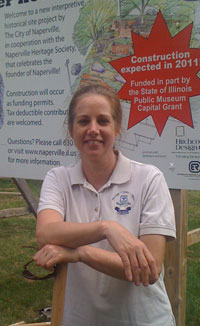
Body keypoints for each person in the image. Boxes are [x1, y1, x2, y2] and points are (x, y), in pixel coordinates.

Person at [34, 84, 176, 326]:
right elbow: (46, 233)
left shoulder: (149, 178)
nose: (93, 130)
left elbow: (149, 268)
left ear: (117, 127)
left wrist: (80, 253)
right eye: (83, 121)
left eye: (102, 121)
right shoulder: (58, 178)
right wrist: (107, 228)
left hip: (143, 320)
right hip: (78, 319)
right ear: (71, 130)